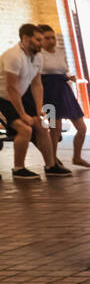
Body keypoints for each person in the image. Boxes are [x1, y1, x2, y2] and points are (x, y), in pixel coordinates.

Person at [1, 23, 67, 181]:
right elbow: (11, 88)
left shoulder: (37, 56)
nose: (41, 43)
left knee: (42, 126)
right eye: (38, 40)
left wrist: (39, 109)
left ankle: (51, 166)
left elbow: (37, 84)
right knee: (25, 129)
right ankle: (18, 168)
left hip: (17, 96)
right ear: (25, 39)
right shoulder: (13, 56)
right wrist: (23, 114)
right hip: (3, 98)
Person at [37, 25, 90, 168]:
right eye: (47, 38)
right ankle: (52, 161)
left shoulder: (60, 52)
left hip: (64, 92)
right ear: (40, 39)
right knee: (55, 129)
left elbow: (61, 71)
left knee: (82, 128)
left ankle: (77, 157)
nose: (51, 41)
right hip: (49, 94)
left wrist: (68, 77)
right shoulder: (38, 55)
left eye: (53, 37)